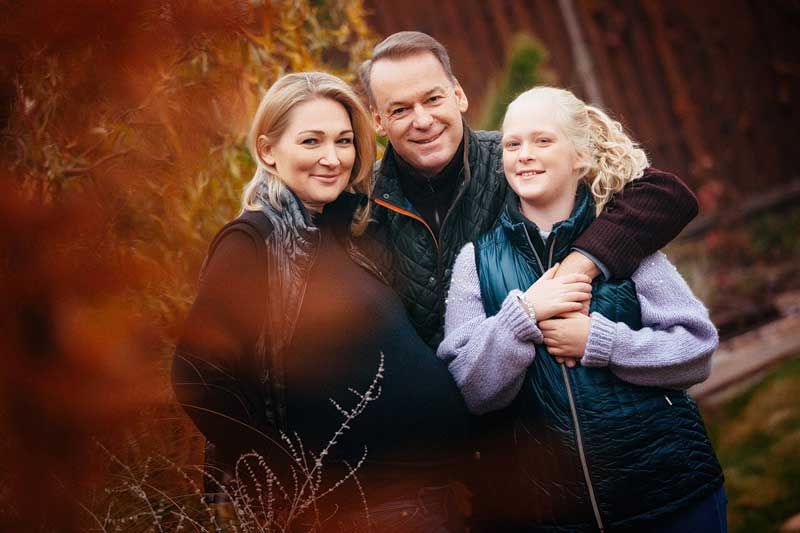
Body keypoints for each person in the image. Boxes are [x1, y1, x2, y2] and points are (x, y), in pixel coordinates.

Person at [172, 72, 473, 532]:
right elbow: (198, 375)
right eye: (311, 141)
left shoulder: (349, 234)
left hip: (429, 500)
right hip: (359, 511)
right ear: (269, 150)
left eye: (344, 141)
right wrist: (288, 479)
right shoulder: (255, 241)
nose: (332, 158)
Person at [437, 86, 725, 531]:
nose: (524, 155)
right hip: (554, 515)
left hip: (673, 497)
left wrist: (601, 341)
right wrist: (523, 316)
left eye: (543, 140)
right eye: (513, 144)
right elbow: (471, 389)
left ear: (581, 157)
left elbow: (696, 351)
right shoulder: (475, 263)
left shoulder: (627, 245)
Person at [358, 31, 701, 349]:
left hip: (534, 399)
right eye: (400, 109)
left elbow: (665, 196)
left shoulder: (517, 163)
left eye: (432, 99)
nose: (422, 120)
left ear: (458, 95)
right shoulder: (360, 199)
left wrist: (575, 269)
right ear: (377, 120)